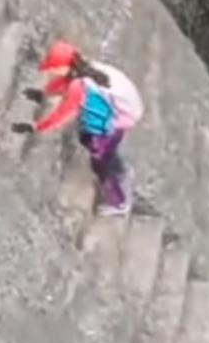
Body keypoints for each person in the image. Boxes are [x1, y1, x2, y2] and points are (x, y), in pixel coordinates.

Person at [12, 39, 143, 216]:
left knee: (100, 163)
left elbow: (62, 113)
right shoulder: (84, 69)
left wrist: (36, 127)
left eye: (53, 68)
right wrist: (43, 95)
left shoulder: (79, 87)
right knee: (104, 150)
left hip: (112, 124)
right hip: (119, 116)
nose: (50, 71)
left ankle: (119, 202)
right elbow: (62, 85)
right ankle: (121, 171)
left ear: (64, 67)